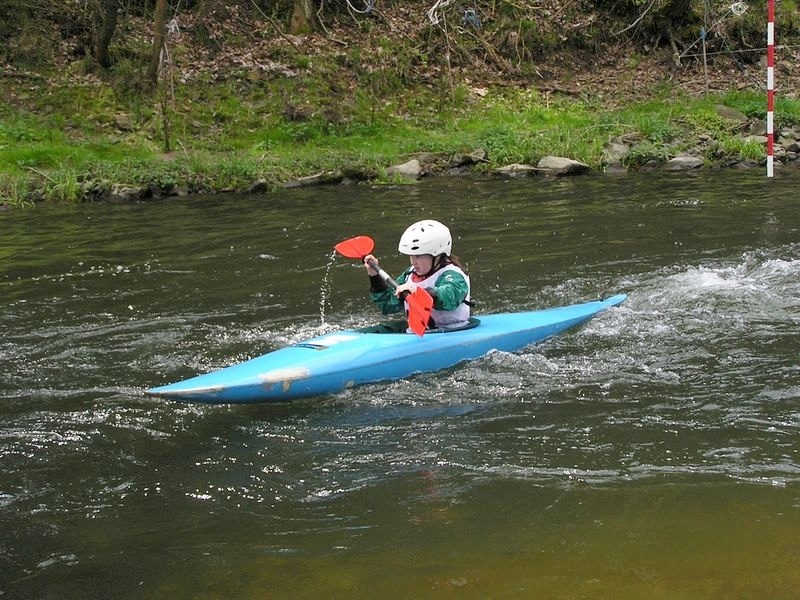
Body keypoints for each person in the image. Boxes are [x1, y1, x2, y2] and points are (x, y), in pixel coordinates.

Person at [364, 219, 471, 330]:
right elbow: (388, 305)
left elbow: (449, 296)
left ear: (438, 255)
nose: (413, 261)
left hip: (452, 331)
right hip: (418, 336)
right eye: (412, 255)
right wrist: (374, 277)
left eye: (419, 256)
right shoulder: (410, 274)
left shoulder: (453, 275)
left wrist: (417, 292)